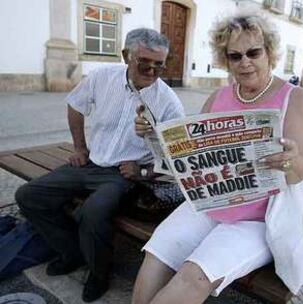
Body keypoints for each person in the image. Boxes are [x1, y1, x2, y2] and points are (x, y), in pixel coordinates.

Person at [132, 12, 303, 304]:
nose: (245, 62)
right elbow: (194, 155)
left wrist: (289, 160)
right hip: (208, 203)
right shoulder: (217, 98)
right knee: (157, 253)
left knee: (195, 276)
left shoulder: (296, 98)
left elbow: (300, 172)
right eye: (234, 56)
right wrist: (154, 137)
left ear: (269, 52)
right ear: (225, 59)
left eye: (253, 52)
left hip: (259, 219)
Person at [15, 28, 185, 302]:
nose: (152, 71)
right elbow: (75, 105)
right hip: (90, 162)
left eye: (159, 65)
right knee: (28, 196)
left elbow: (176, 156)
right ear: (126, 56)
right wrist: (80, 148)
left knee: (93, 212)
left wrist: (141, 170)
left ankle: (99, 273)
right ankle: (71, 252)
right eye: (144, 62)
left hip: (122, 175)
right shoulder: (102, 77)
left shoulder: (168, 101)